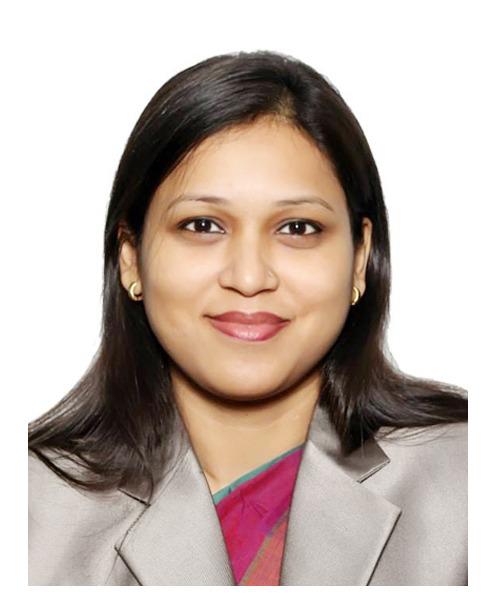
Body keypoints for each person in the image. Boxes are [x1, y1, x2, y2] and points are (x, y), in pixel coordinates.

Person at [28, 50, 467, 586]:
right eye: (203, 225)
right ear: (130, 257)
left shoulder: (468, 483)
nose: (250, 276)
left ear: (359, 259)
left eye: (298, 228)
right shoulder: (29, 511)